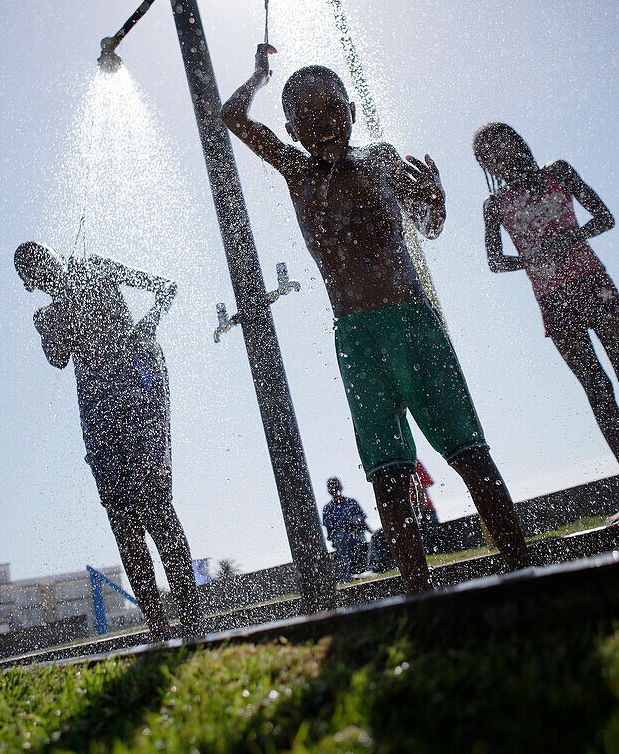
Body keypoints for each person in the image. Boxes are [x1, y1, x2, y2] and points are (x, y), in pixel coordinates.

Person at [221, 45, 529, 594]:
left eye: (332, 112)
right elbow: (232, 117)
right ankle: (417, 595)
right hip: (356, 339)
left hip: (412, 323)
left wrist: (436, 199)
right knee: (387, 474)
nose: (322, 127)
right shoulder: (296, 172)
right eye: (307, 120)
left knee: (468, 452)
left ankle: (521, 569)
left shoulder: (382, 158)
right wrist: (259, 76)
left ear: (352, 111)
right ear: (291, 130)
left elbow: (428, 226)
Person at [14, 241, 204, 642]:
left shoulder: (97, 266)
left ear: (56, 255)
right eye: (33, 275)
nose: (42, 274)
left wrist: (149, 322)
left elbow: (165, 287)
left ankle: (193, 621)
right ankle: (156, 629)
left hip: (137, 400)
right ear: (31, 284)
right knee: (124, 523)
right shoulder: (46, 314)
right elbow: (57, 357)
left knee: (156, 508)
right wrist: (53, 322)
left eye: (42, 260)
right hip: (99, 421)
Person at [473, 123, 619, 464]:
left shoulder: (558, 171)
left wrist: (567, 240)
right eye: (489, 154)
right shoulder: (494, 204)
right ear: (485, 166)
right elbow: (494, 261)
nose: (500, 155)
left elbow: (605, 218)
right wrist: (530, 259)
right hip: (552, 301)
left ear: (518, 142)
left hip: (594, 284)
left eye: (503, 144)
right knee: (597, 389)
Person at [322, 477, 373, 582]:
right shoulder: (327, 509)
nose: (334, 489)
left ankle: (367, 570)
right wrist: (341, 533)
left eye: (336, 485)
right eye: (331, 487)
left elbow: (363, 522)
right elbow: (329, 532)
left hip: (357, 535)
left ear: (340, 486)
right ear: (329, 490)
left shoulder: (352, 503)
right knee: (342, 538)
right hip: (340, 539)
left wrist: (373, 533)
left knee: (356, 540)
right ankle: (346, 576)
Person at [410, 461, 440, 552]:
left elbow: (422, 494)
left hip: (425, 510)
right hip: (409, 513)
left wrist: (416, 517)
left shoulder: (413, 462)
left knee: (425, 535)